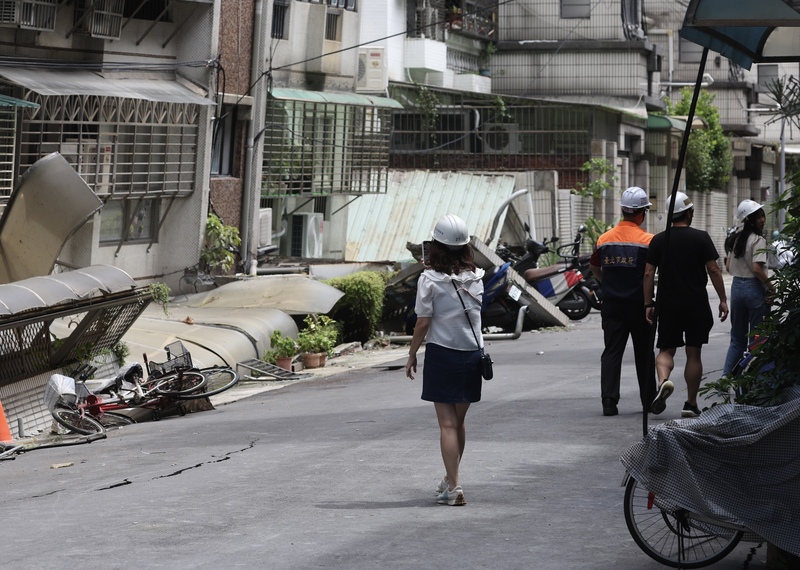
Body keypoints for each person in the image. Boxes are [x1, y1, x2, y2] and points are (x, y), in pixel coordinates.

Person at [405, 214, 485, 507]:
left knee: (447, 425)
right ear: (465, 247)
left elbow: (423, 322)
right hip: (473, 354)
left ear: (435, 246)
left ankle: (454, 487)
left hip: (443, 354)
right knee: (458, 423)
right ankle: (451, 480)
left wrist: (412, 354)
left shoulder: (429, 280)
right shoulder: (477, 277)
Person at [644, 192, 729, 418]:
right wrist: (722, 299)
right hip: (695, 303)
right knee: (694, 353)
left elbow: (648, 273)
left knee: (666, 350)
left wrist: (648, 303)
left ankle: (663, 381)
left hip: (668, 303)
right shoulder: (701, 238)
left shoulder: (659, 240)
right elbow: (713, 269)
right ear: (689, 213)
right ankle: (690, 404)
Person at [589, 186, 656, 417]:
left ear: (623, 210)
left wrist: (607, 282)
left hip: (612, 304)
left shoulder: (604, 239)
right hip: (639, 305)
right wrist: (650, 302)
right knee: (644, 352)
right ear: (642, 213)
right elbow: (650, 273)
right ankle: (648, 400)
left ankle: (609, 401)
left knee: (612, 351)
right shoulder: (648, 241)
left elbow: (594, 267)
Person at [722, 200, 772, 376]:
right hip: (754, 288)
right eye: (758, 217)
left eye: (762, 216)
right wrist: (771, 287)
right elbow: (757, 269)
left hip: (737, 287)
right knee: (757, 339)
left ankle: (726, 378)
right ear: (750, 220)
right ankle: (754, 380)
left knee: (737, 339)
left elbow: (728, 267)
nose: (762, 220)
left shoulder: (735, 239)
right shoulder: (758, 240)